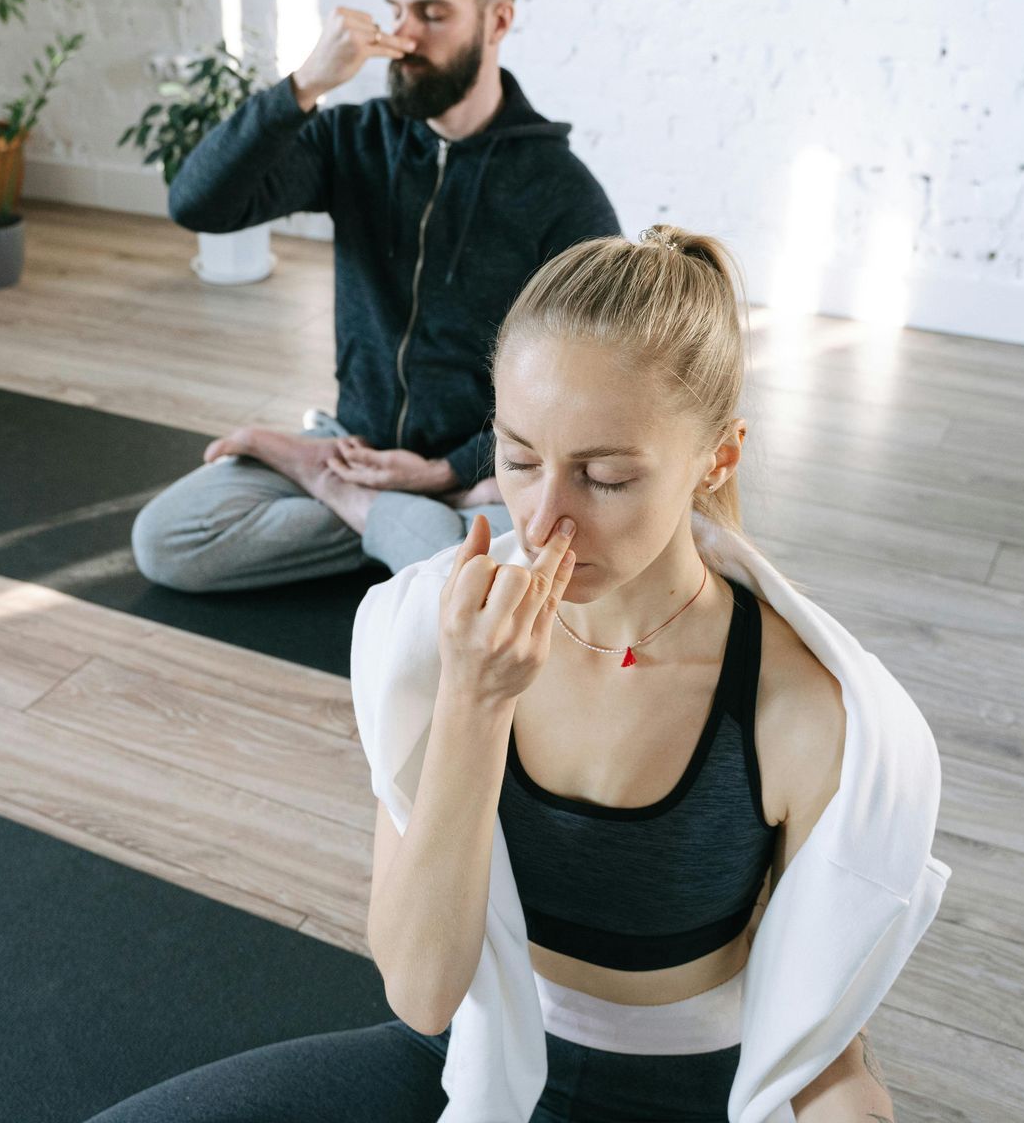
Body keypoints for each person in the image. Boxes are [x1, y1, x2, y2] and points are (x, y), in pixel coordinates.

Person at [87, 227, 948, 1122]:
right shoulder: (429, 637)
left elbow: (822, 1030)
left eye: (606, 477)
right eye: (521, 459)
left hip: (683, 1093)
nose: (543, 519)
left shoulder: (808, 713)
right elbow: (422, 993)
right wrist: (472, 698)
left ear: (717, 459)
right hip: (467, 1056)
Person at [130, 0, 620, 593]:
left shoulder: (561, 192)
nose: (403, 36)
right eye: (396, 10)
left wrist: (448, 472)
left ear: (498, 20)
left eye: (432, 14)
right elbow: (199, 203)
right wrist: (303, 87)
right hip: (352, 447)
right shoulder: (353, 139)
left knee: (533, 552)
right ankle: (404, 529)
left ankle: (374, 512)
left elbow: (591, 390)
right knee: (166, 539)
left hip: (481, 472)